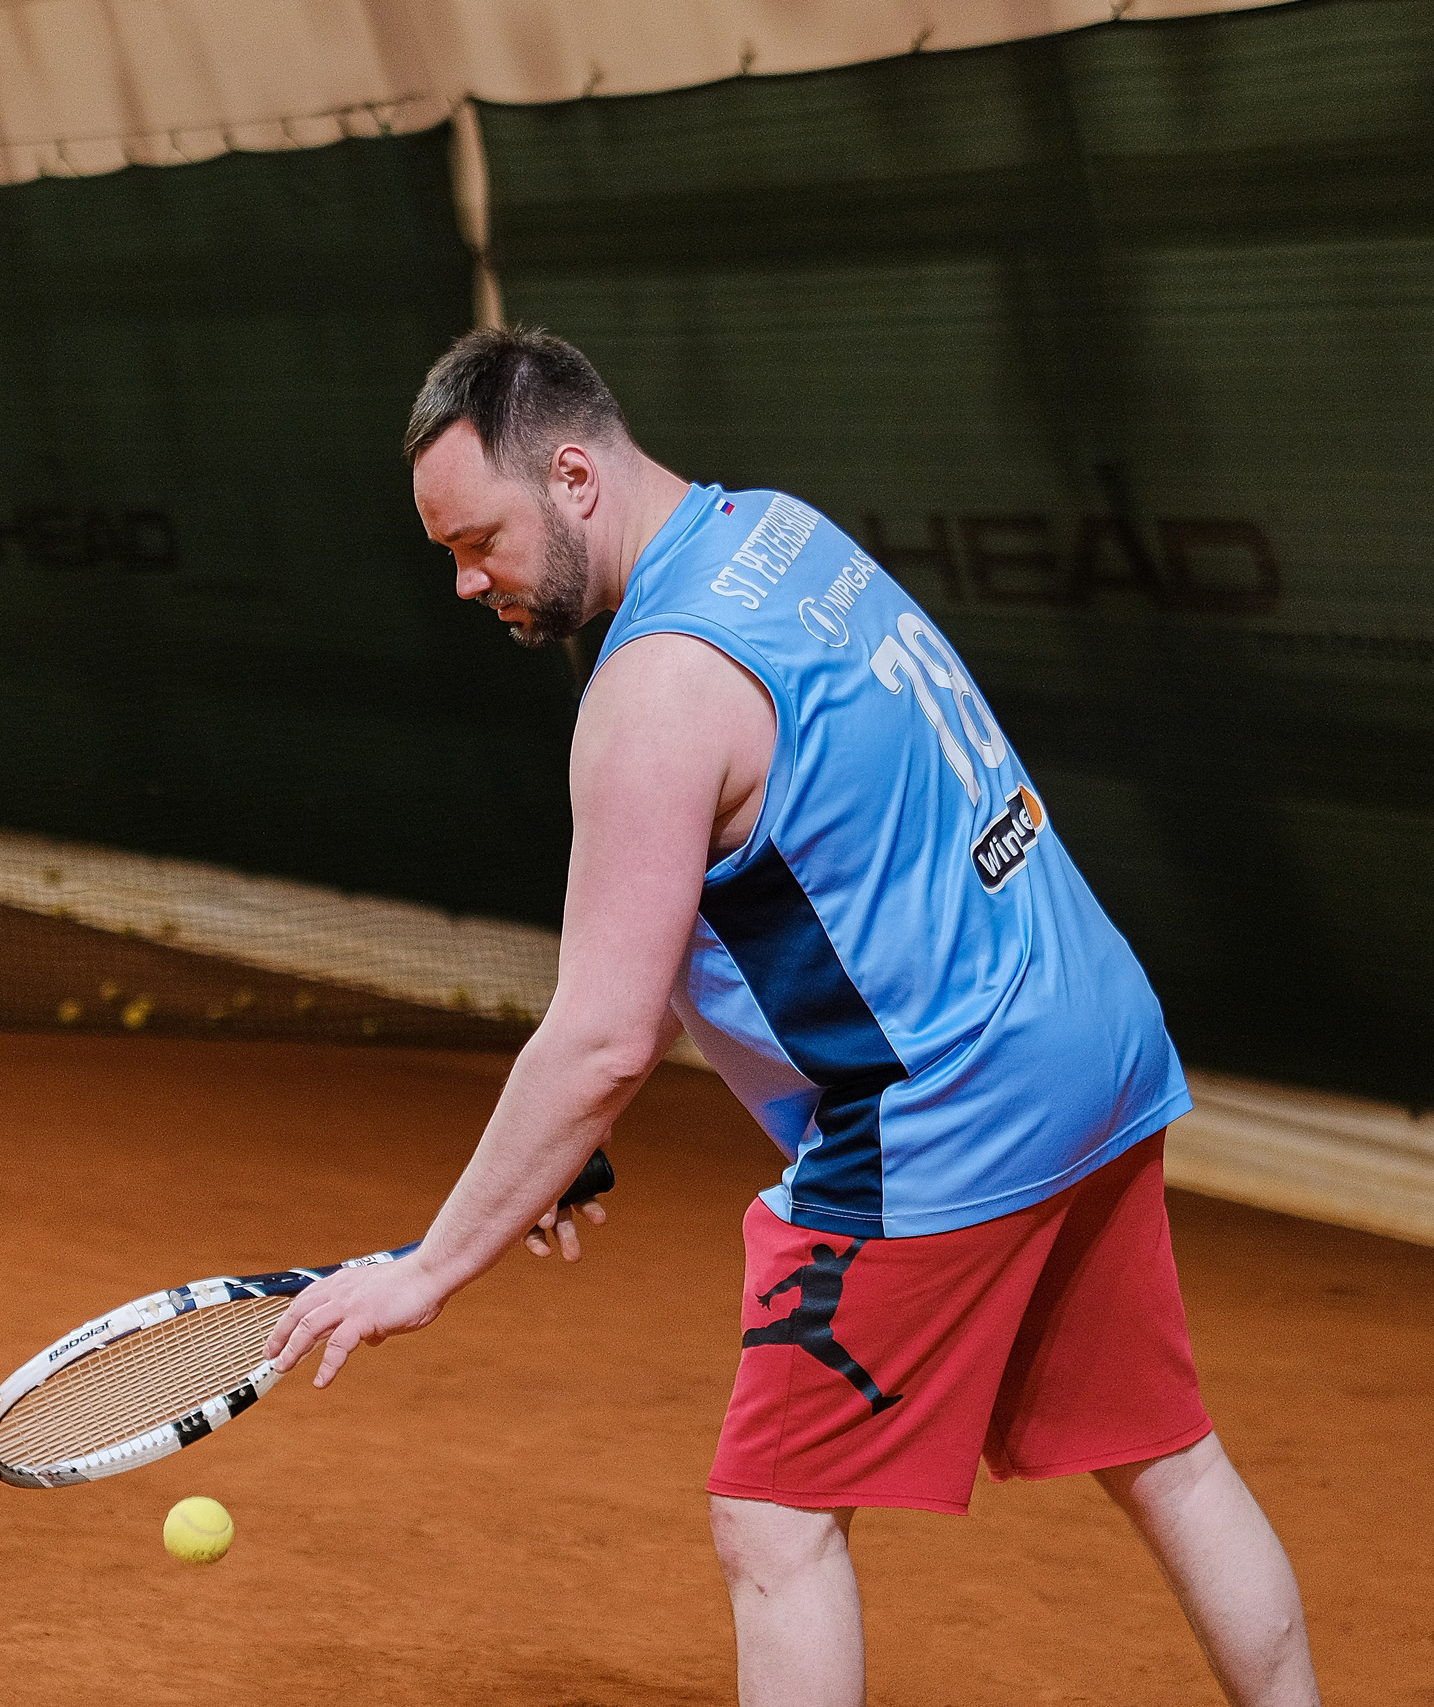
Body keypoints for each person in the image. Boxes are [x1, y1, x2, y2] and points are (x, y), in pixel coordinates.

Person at [267, 327, 1320, 1706]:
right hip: (1090, 1025)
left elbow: (602, 1035)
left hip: (953, 1102)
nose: (470, 583)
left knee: (774, 1520)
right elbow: (788, 895)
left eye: (481, 540)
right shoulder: (774, 533)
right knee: (1166, 1452)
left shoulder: (652, 690)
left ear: (573, 476)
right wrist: (551, 1142)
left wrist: (425, 1267)